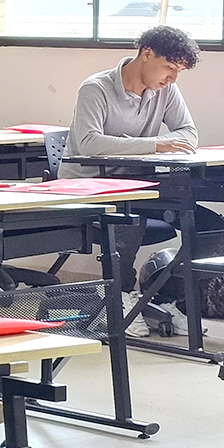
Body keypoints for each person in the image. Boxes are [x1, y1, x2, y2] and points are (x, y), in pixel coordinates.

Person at [62, 25, 201, 334]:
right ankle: (118, 297)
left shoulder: (166, 90)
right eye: (169, 67)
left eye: (178, 71)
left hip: (136, 185)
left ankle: (165, 298)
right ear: (146, 54)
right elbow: (89, 143)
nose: (172, 78)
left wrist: (146, 144)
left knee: (206, 224)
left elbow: (189, 133)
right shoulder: (95, 88)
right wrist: (155, 144)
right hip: (90, 188)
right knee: (130, 220)